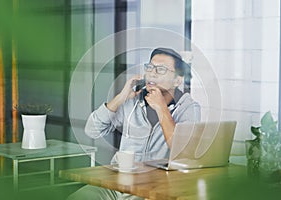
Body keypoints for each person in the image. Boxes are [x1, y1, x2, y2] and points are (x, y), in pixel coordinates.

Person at [67, 47, 201, 200]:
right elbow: (92, 130)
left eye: (161, 69)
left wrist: (161, 108)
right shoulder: (132, 100)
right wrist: (121, 97)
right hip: (114, 184)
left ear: (177, 80)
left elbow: (184, 151)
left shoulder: (188, 107)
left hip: (151, 189)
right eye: (150, 67)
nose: (152, 73)